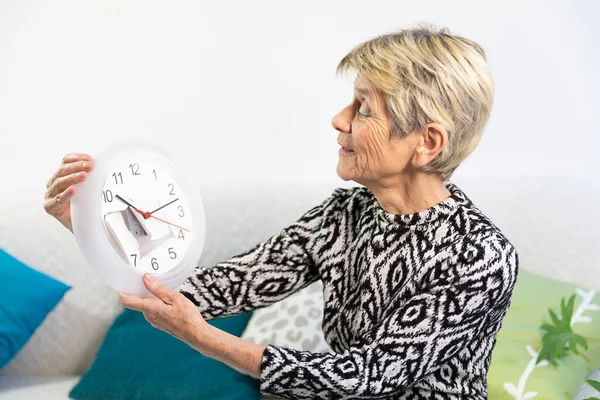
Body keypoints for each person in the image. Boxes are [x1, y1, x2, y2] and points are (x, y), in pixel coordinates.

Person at [44, 26, 518, 399]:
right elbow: (224, 286)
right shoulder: (345, 215)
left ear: (427, 143)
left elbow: (369, 377)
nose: (339, 119)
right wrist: (90, 224)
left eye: (364, 108)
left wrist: (209, 340)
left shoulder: (481, 256)